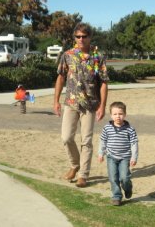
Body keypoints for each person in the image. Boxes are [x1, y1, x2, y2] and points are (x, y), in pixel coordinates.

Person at [54, 22, 109, 188]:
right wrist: (55, 100)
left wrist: (102, 106)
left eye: (84, 36)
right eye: (78, 36)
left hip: (91, 104)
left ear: (90, 37)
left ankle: (83, 175)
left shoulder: (98, 57)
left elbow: (104, 83)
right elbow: (61, 77)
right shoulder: (68, 55)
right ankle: (74, 165)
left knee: (86, 141)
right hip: (70, 102)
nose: (81, 39)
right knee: (66, 137)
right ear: (74, 38)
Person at [98, 101, 139, 206]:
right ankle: (116, 196)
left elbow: (134, 144)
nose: (118, 116)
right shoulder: (107, 128)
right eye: (115, 114)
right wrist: (101, 153)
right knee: (113, 177)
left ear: (125, 114)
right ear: (111, 115)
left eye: (120, 114)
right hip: (111, 157)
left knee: (124, 177)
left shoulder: (130, 129)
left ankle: (127, 187)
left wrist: (134, 157)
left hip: (125, 158)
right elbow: (103, 141)